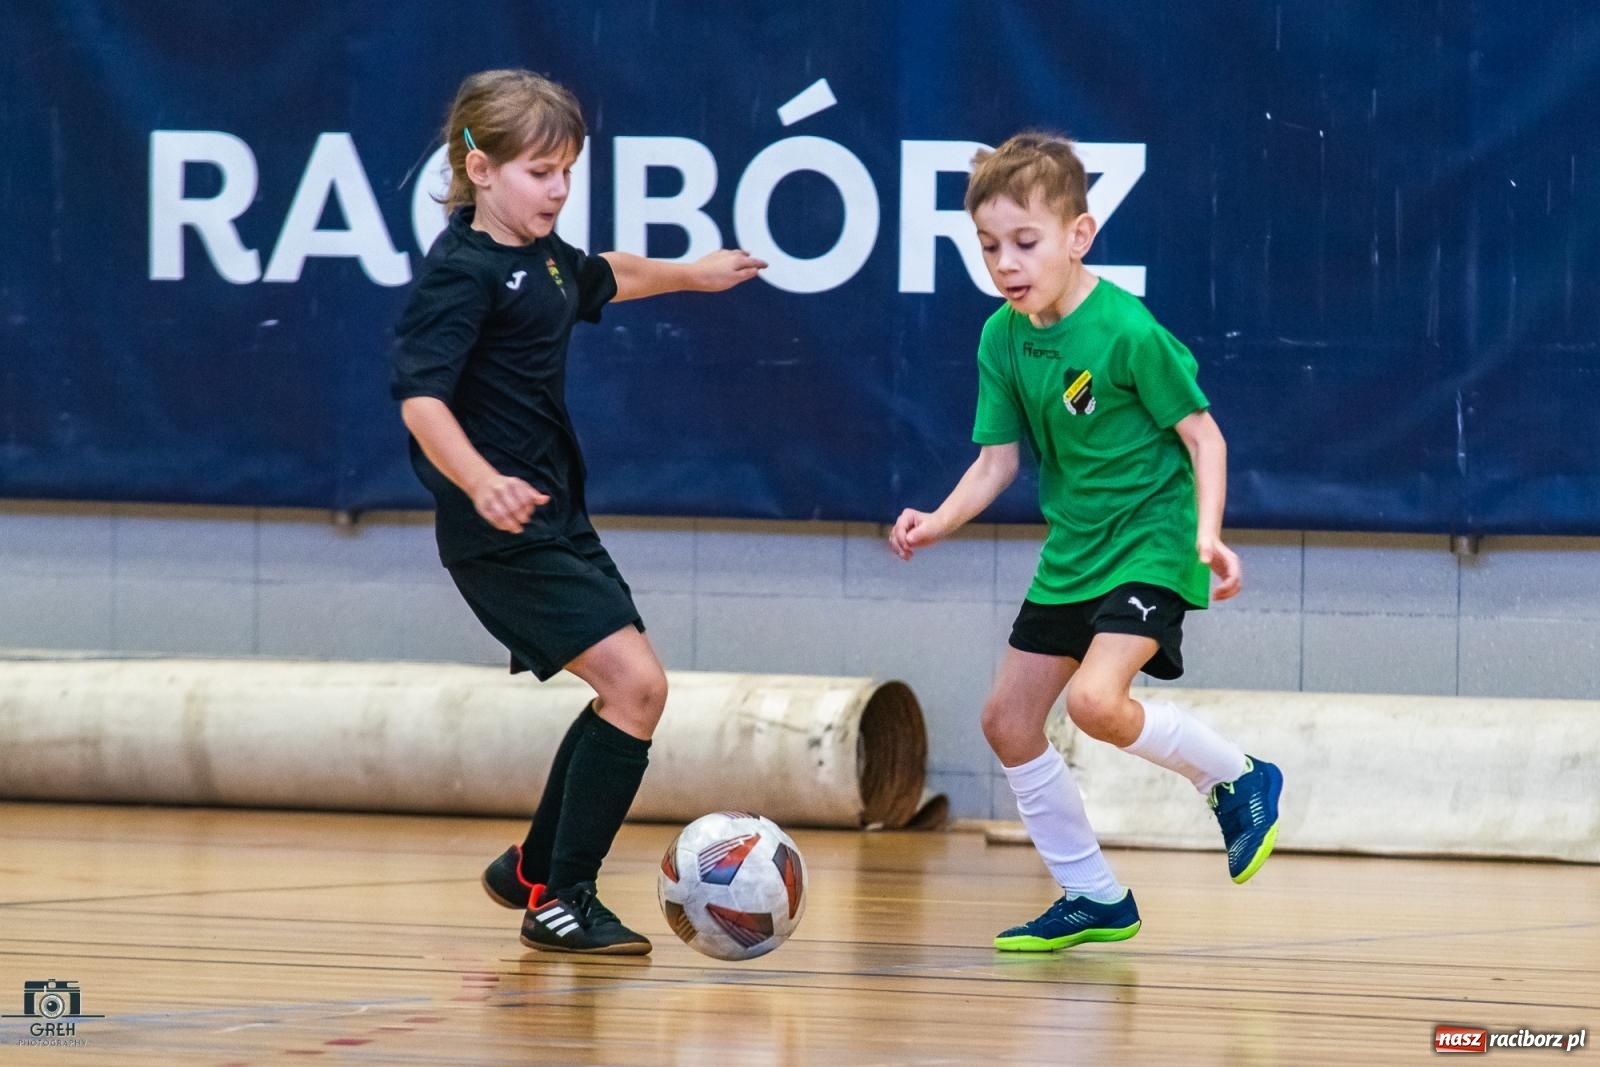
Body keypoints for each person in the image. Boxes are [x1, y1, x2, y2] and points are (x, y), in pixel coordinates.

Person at [390, 69, 765, 955]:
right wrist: (480, 480)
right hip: (499, 534)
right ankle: (562, 896)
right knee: (638, 687)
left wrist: (691, 275)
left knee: (621, 690)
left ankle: (531, 867)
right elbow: (421, 401)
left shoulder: (543, 257)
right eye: (540, 172)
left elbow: (604, 276)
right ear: (479, 169)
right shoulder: (461, 276)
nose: (558, 190)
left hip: (558, 522)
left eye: (567, 173)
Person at [888, 132, 1282, 952]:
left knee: (1097, 702)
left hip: (1153, 540)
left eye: (1025, 242)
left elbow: (1205, 439)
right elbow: (997, 462)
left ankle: (1237, 776)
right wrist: (938, 519)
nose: (1005, 262)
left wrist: (1208, 537)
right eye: (989, 245)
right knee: (1006, 719)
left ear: (1079, 235)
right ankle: (1092, 893)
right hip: (1075, 550)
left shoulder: (1128, 331)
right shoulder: (1003, 337)